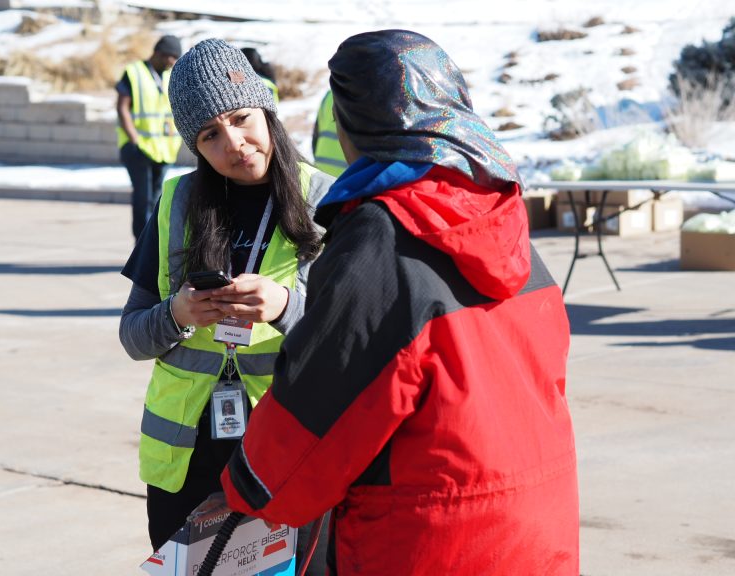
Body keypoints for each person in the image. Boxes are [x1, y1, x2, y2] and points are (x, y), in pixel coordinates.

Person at [198, 29, 580, 574]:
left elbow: (316, 414)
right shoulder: (503, 217)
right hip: (540, 530)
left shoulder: (383, 235)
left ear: (356, 127)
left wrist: (247, 488)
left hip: (432, 540)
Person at [117, 37, 334, 568]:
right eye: (210, 135)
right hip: (184, 462)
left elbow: (355, 342)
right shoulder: (177, 202)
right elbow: (132, 335)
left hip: (282, 451)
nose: (233, 143)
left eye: (240, 118)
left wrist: (286, 306)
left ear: (266, 108)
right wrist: (176, 315)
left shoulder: (328, 200)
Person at [116, 34, 183, 241]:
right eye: (170, 57)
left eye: (175, 58)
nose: (172, 62)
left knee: (157, 201)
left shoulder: (171, 75)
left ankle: (154, 245)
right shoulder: (135, 72)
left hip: (163, 149)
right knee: (143, 199)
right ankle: (142, 247)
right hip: (138, 147)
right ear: (157, 53)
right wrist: (133, 138)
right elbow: (122, 107)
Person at [311, 89, 347, 177]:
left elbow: (315, 138)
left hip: (321, 173)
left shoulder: (329, 95)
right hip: (347, 175)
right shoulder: (362, 96)